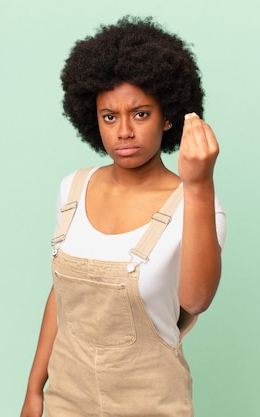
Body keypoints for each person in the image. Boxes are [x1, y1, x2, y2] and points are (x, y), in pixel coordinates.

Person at [20, 16, 226, 417]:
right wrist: (34, 390)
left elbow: (197, 299)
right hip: (68, 403)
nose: (124, 131)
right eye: (109, 116)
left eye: (141, 114)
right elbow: (62, 299)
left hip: (152, 405)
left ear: (168, 117)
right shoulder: (72, 190)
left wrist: (199, 185)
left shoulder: (194, 205)